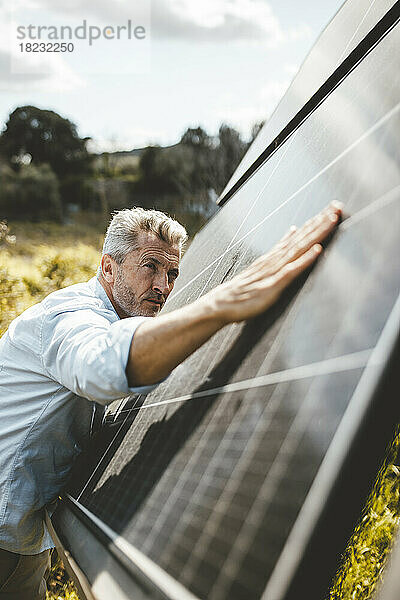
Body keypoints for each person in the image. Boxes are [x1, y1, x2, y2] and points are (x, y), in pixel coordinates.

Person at [0, 202, 343, 599]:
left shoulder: (115, 316)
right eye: (150, 266)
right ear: (108, 268)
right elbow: (101, 364)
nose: (163, 286)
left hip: (20, 534)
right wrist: (222, 304)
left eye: (172, 272)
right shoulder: (70, 315)